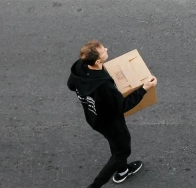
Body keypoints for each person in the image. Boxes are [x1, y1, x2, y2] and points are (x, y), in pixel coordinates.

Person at [67, 41, 157, 187]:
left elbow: (71, 85)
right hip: (111, 123)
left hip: (94, 118)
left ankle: (123, 170)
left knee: (115, 144)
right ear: (97, 61)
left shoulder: (79, 67)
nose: (107, 49)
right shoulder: (103, 86)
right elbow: (123, 106)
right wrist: (144, 88)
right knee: (121, 152)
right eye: (103, 51)